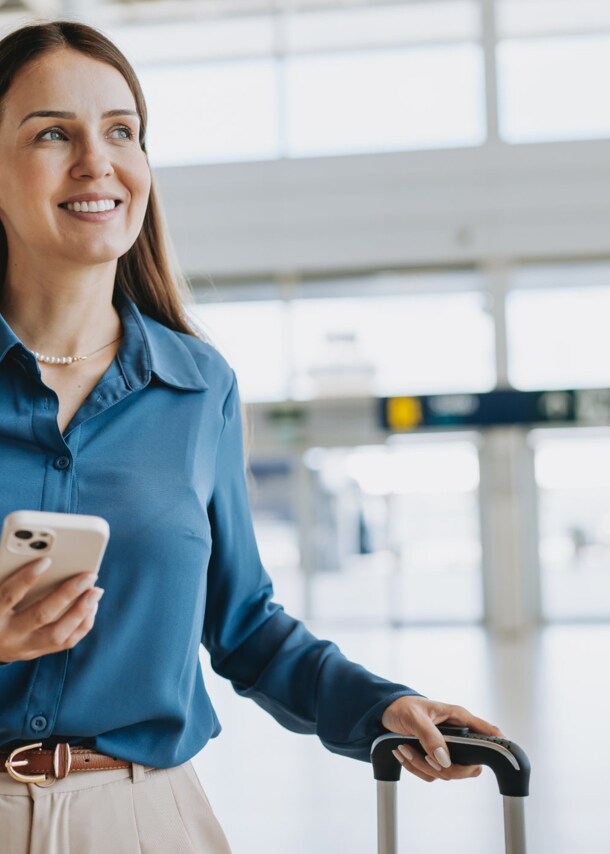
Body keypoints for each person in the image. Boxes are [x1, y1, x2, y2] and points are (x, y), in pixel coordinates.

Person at [0, 20, 501, 853]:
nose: (97, 160)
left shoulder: (198, 388)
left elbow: (246, 629)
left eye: (121, 131)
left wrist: (379, 705)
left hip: (143, 821)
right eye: (53, 132)